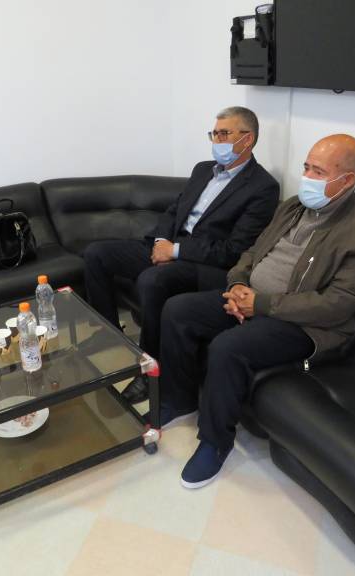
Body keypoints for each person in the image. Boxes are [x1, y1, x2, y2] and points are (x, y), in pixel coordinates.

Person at [156, 134, 355, 489]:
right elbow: (253, 250)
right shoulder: (294, 207)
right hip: (254, 299)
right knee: (179, 309)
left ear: (347, 180)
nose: (307, 177)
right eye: (306, 167)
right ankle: (179, 400)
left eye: (319, 171)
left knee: (228, 347)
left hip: (305, 326)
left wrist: (260, 304)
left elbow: (336, 305)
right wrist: (237, 284)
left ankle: (215, 442)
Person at [83, 107, 280, 403]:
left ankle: (149, 369)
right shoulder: (203, 169)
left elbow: (234, 250)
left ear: (247, 139)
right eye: (214, 134)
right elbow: (174, 211)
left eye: (224, 134)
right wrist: (162, 241)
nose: (217, 140)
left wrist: (175, 251)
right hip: (169, 245)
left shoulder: (263, 187)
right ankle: (108, 331)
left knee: (152, 280)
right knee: (96, 253)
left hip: (203, 263)